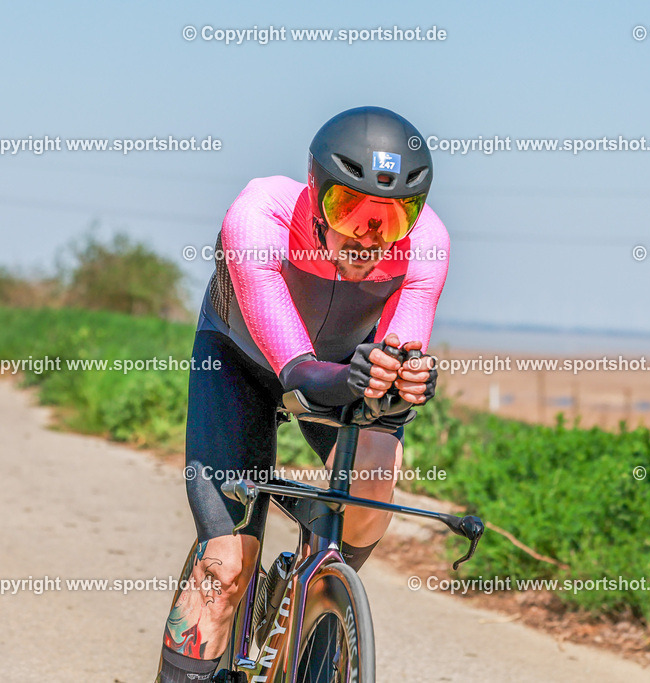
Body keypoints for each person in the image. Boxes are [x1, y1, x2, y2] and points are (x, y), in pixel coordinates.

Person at [156, 106, 448, 682]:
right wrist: (364, 378)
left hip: (344, 369)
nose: (369, 235)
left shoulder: (427, 245)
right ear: (314, 192)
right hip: (242, 362)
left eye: (393, 219)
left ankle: (317, 606)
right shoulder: (258, 215)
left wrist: (410, 381)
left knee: (367, 504)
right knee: (224, 568)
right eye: (350, 207)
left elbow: (396, 363)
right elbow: (295, 371)